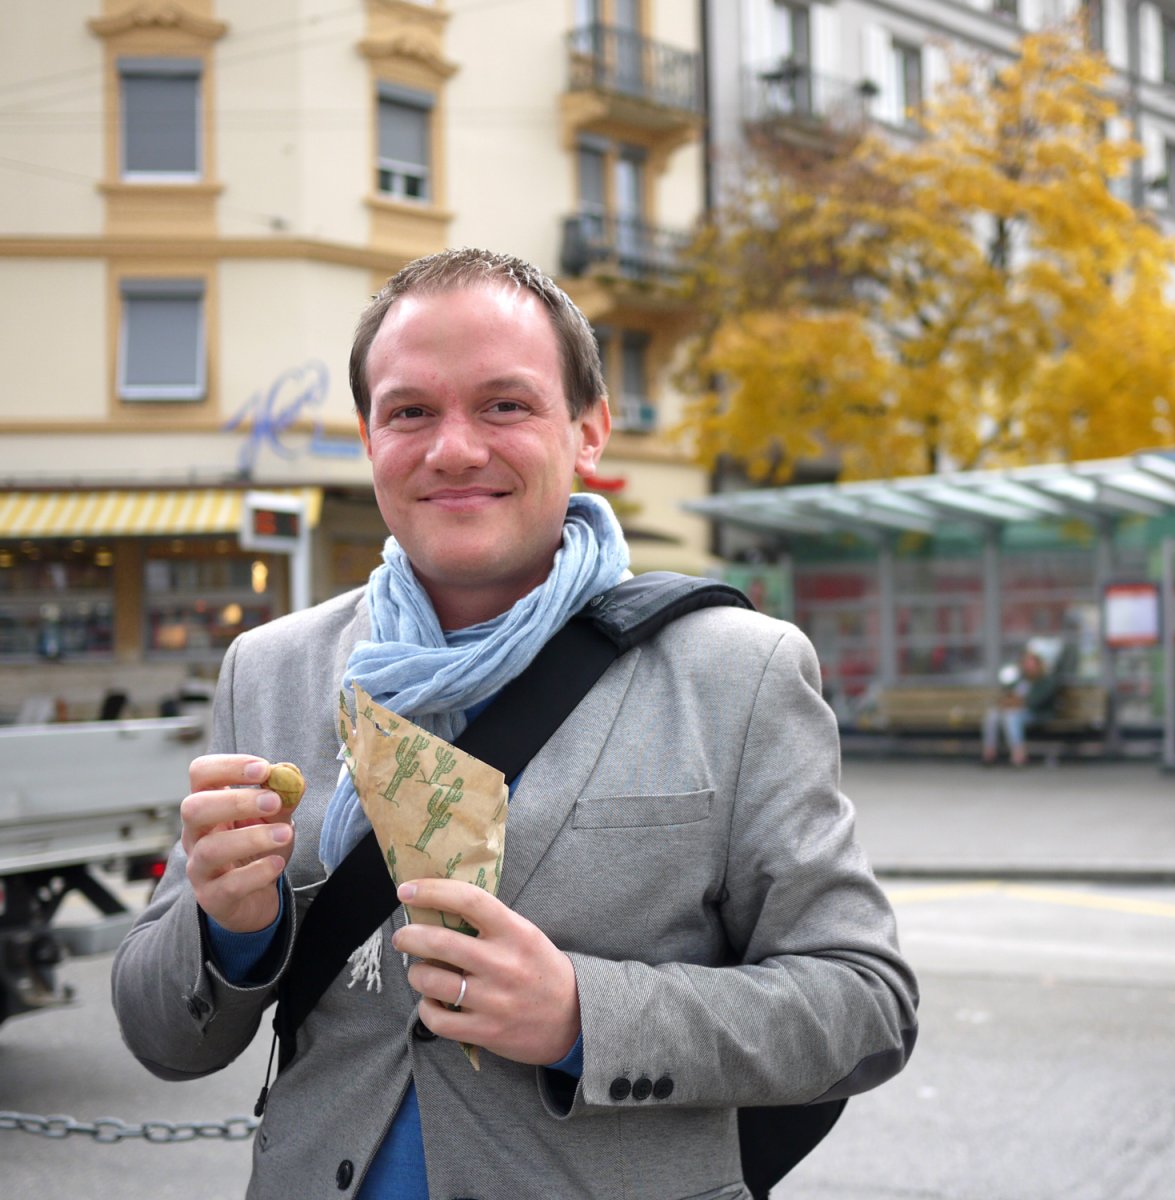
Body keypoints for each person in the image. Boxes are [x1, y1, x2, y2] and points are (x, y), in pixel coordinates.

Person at [112, 249, 918, 1199]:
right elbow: (161, 1033)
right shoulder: (273, 669)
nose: (454, 448)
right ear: (369, 437)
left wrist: (584, 1014)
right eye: (410, 411)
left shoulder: (737, 670)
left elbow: (867, 1007)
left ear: (588, 431)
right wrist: (225, 930)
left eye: (504, 404)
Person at [981, 648, 1056, 766]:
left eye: (1031, 664)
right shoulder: (1021, 680)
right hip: (1016, 712)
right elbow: (1007, 695)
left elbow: (1034, 702)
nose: (1028, 667)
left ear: (1038, 665)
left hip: (1036, 714)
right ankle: (989, 752)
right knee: (993, 715)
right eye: (1026, 663)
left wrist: (1015, 702)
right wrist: (1010, 702)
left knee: (1012, 716)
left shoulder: (1046, 681)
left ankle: (1019, 754)